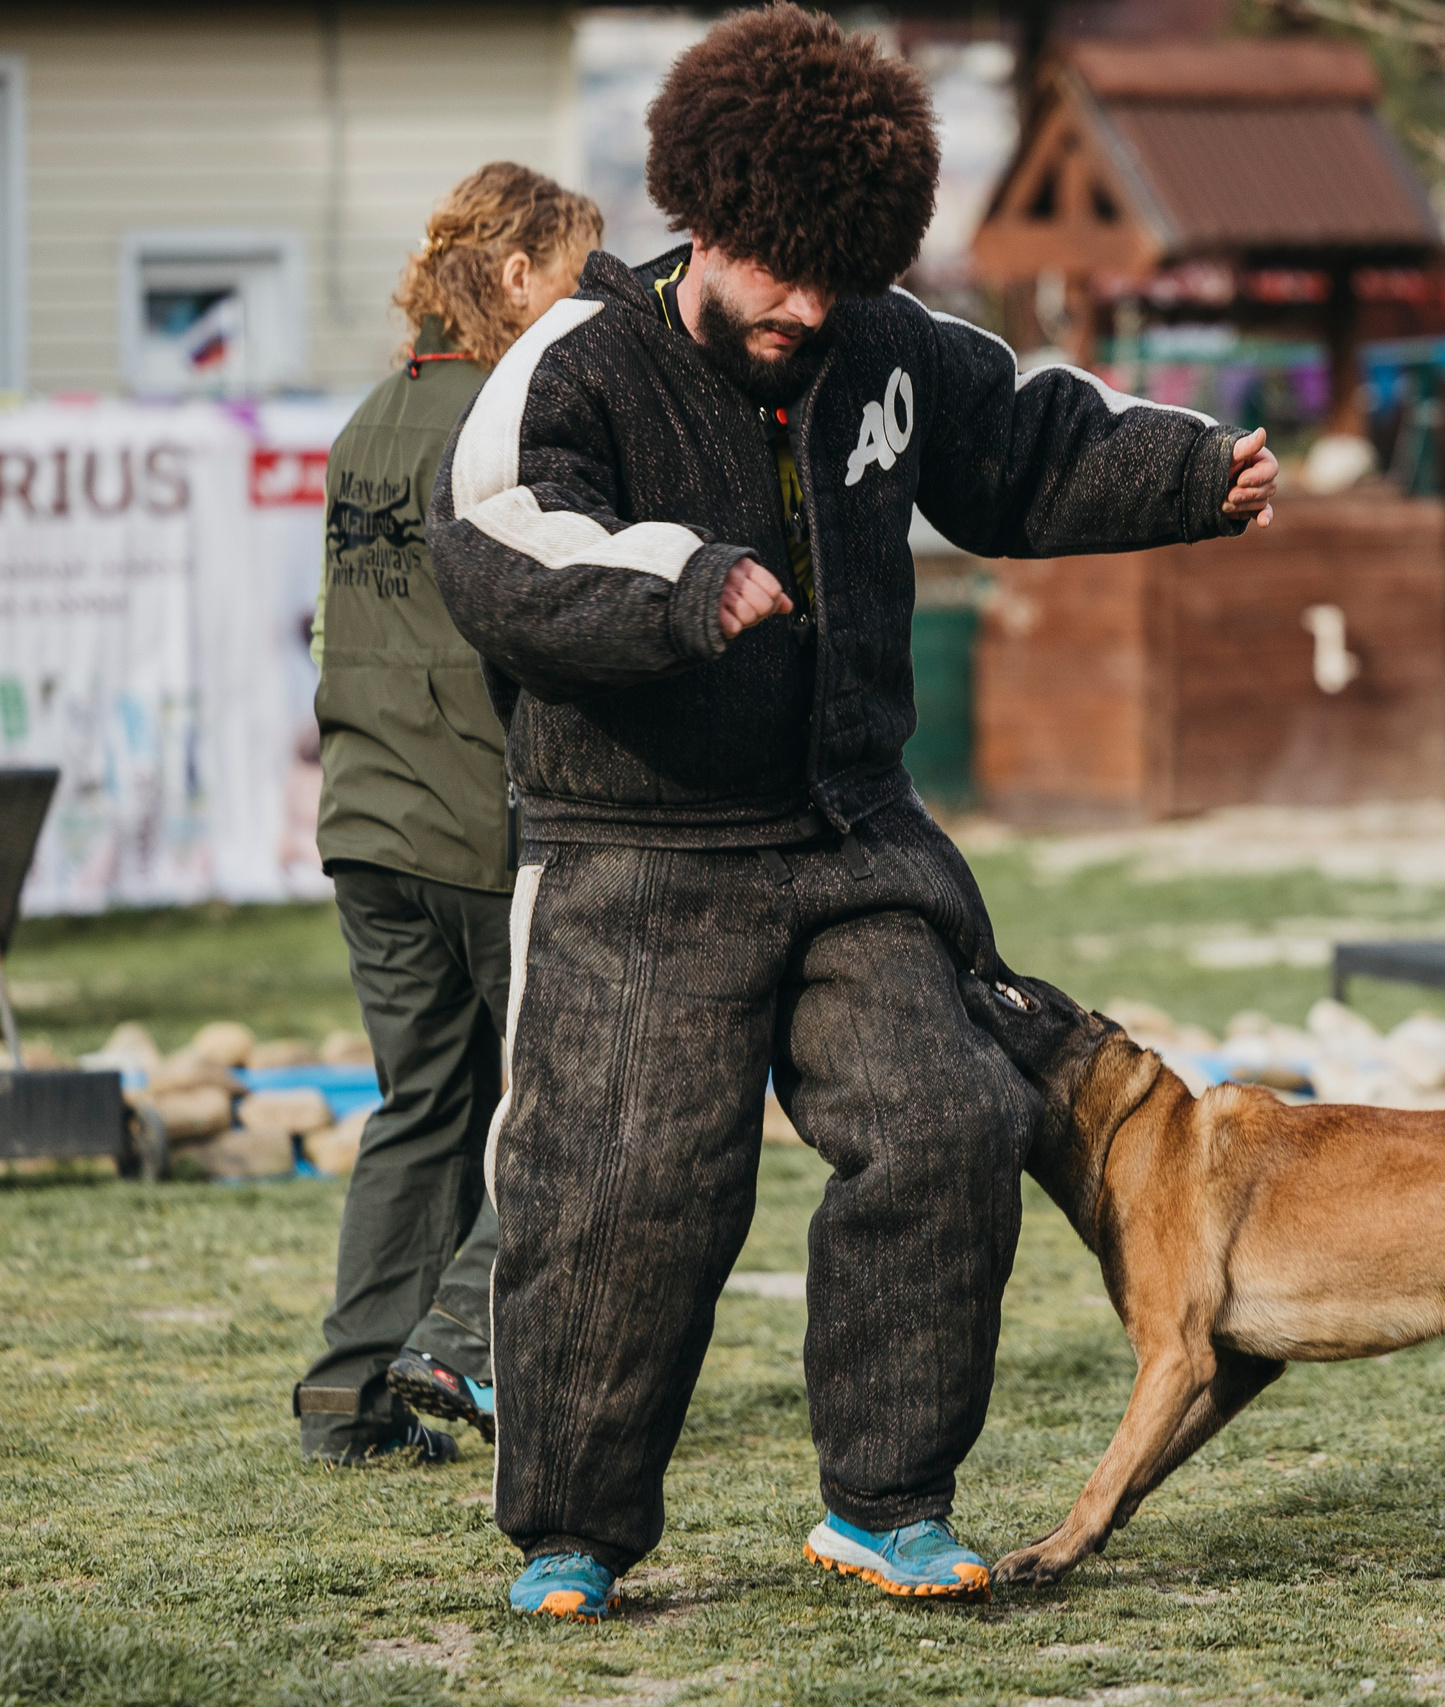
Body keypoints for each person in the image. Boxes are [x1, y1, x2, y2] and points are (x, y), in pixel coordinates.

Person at [428, 4, 1277, 1622]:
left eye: (842, 274)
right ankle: (574, 1533)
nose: (804, 307)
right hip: (637, 852)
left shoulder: (883, 343)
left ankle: (888, 1504)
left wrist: (1186, 479)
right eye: (776, 267)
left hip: (850, 838)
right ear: (703, 217)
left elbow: (1023, 448)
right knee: (628, 1181)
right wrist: (679, 582)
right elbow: (500, 540)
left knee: (953, 1116)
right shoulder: (577, 364)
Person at [292, 163, 604, 1467]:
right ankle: (462, 1339)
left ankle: (345, 1396)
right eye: (579, 278)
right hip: (481, 823)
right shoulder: (503, 423)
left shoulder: (371, 414)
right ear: (518, 276)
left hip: (364, 818)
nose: (588, 311)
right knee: (569, 1096)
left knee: (422, 1107)